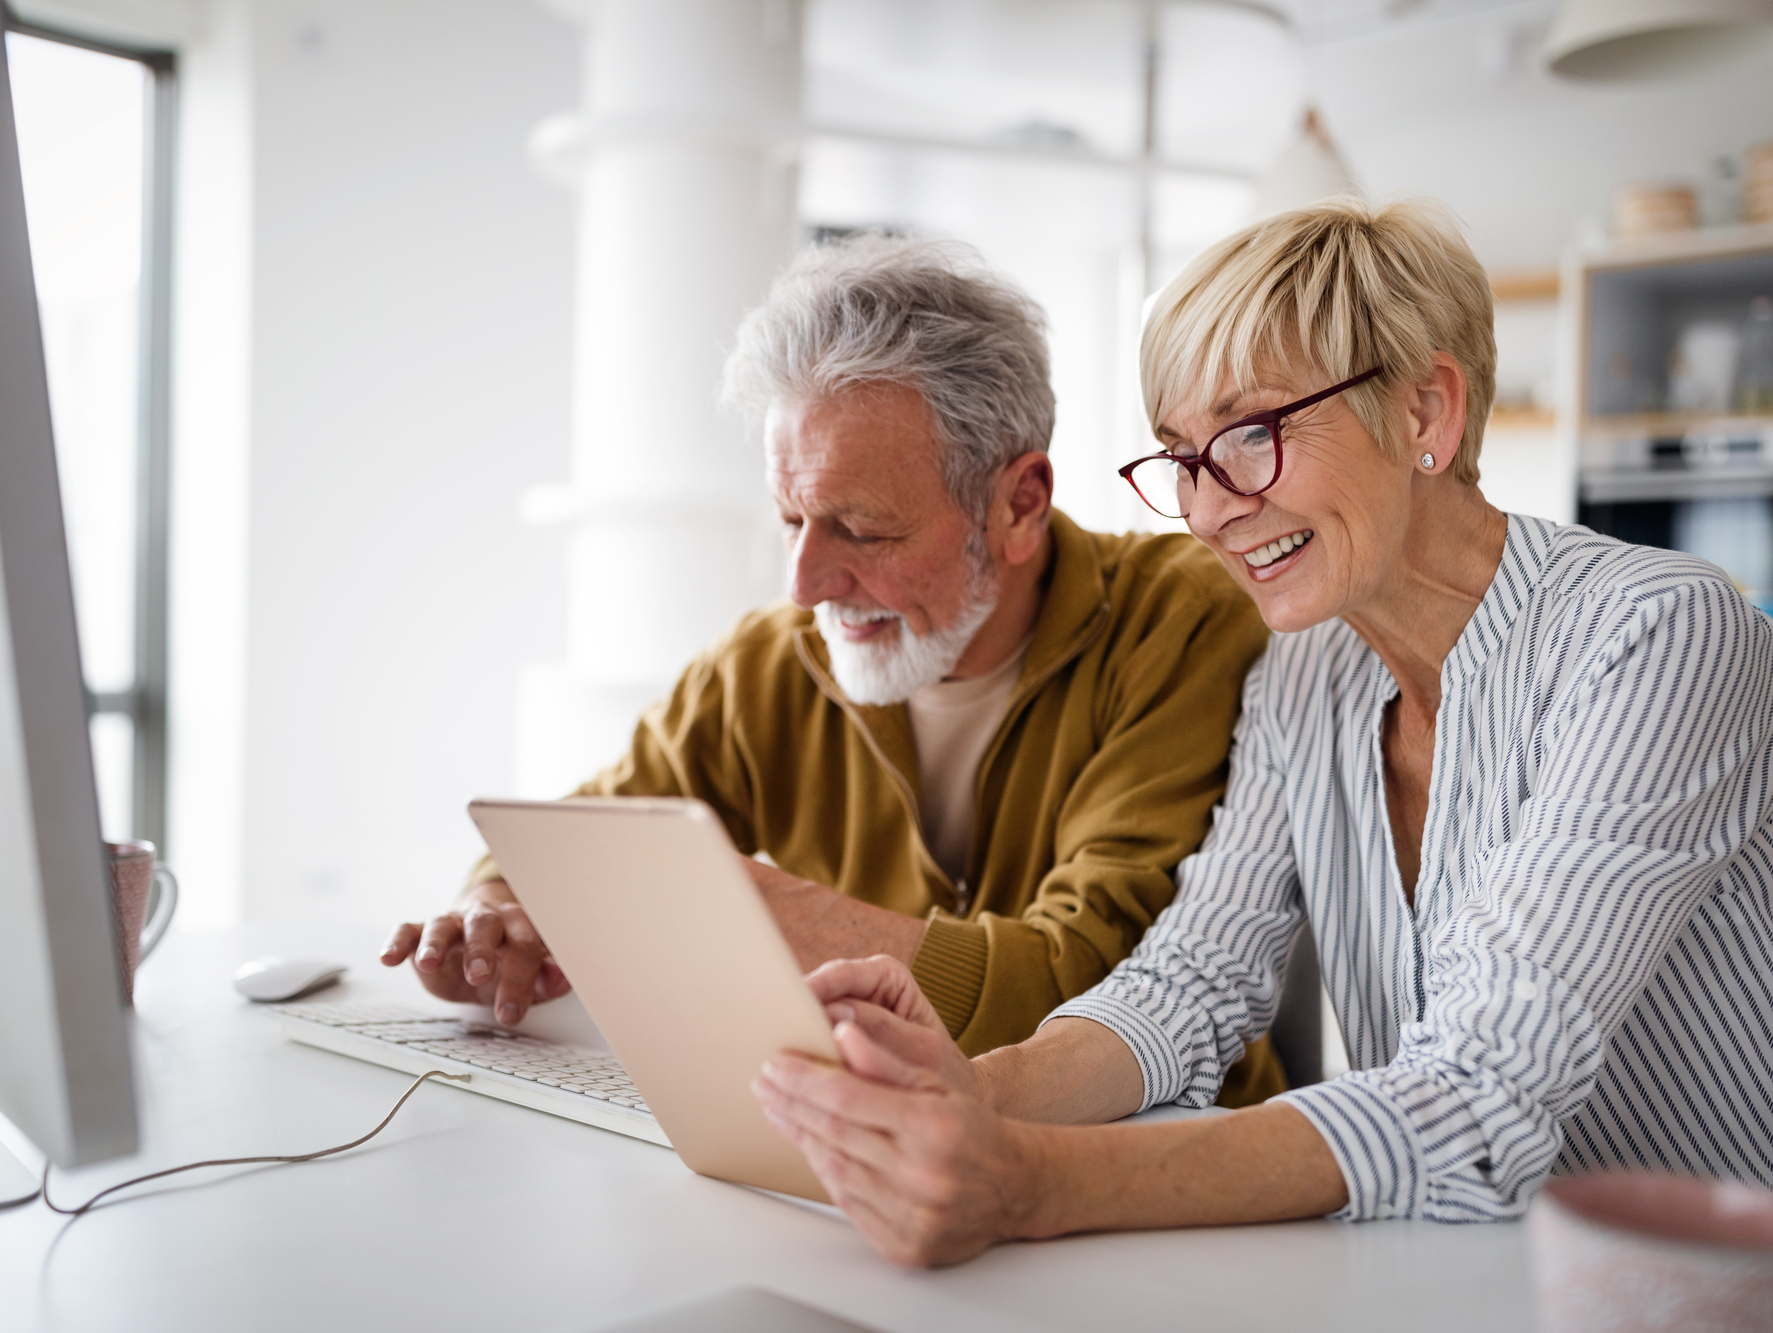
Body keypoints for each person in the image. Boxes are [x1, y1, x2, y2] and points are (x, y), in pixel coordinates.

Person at [749, 198, 1773, 1267]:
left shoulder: (1657, 635)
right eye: (1182, 456)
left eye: (1250, 436)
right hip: (1454, 1281)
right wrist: (971, 1087)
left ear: (1423, 411)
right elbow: (1189, 984)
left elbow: (1475, 1095)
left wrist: (1025, 1180)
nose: (1206, 509)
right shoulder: (1307, 670)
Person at [382, 237, 1284, 1098]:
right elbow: (575, 840)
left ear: (1019, 504)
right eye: (790, 519)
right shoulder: (767, 665)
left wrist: (764, 909)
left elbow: (1104, 982)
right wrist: (497, 907)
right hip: (867, 1147)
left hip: (1155, 1167)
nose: (806, 584)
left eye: (860, 528)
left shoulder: (1177, 620)